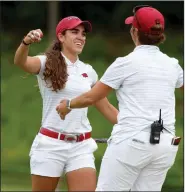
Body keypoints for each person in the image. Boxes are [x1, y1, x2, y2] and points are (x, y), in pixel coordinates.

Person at [56, 6, 184, 191]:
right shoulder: (173, 64)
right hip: (166, 145)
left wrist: (68, 104)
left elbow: (93, 97)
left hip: (131, 143)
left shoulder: (125, 63)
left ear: (135, 31)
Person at [14, 16, 118, 191]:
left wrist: (135, 125)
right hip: (50, 145)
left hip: (81, 146)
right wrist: (26, 43)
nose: (81, 37)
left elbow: (106, 107)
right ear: (61, 37)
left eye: (83, 34)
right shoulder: (46, 62)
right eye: (74, 32)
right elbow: (21, 62)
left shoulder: (88, 71)